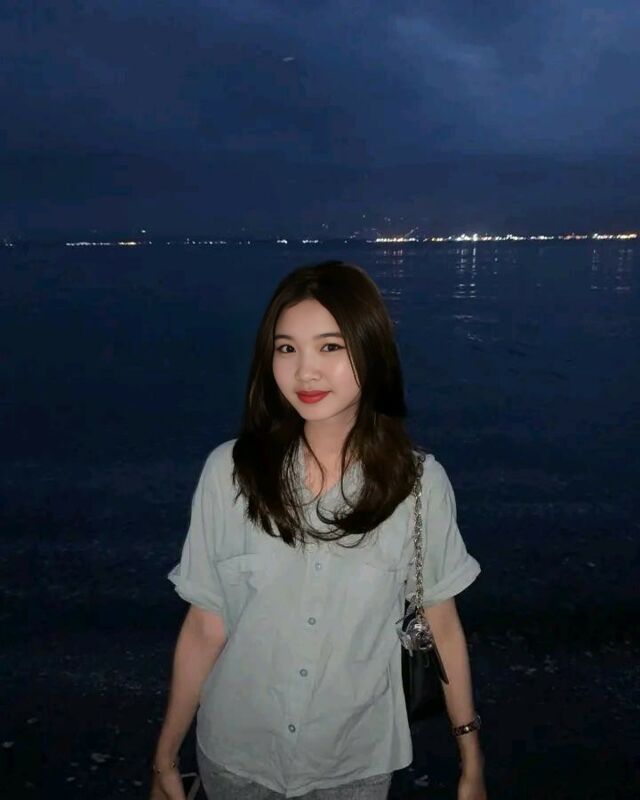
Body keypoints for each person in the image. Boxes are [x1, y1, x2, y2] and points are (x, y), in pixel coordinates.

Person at [150, 261, 487, 800]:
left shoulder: (419, 485)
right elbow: (206, 625)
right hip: (236, 756)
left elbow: (441, 624)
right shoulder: (229, 473)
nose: (305, 371)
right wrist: (165, 757)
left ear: (371, 350)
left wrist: (470, 759)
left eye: (330, 347)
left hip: (352, 763)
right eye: (286, 348)